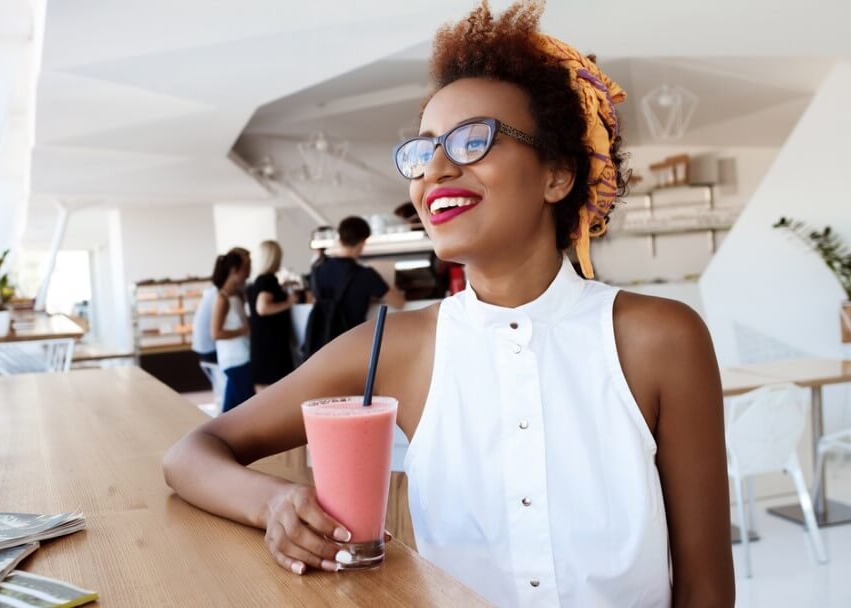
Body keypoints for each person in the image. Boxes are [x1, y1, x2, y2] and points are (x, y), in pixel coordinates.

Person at [164, 2, 734, 606]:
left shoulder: (662, 339)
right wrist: (274, 503)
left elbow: (705, 586)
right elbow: (190, 456)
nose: (434, 169)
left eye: (471, 141)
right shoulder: (396, 347)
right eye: (422, 149)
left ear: (556, 176)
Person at [308, 215, 405, 329]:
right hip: (351, 340)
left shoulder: (318, 269)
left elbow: (312, 300)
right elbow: (399, 303)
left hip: (321, 341)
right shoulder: (366, 275)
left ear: (340, 238)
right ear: (363, 242)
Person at [247, 241, 297, 393]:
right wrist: (288, 303)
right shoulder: (267, 280)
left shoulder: (258, 281)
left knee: (263, 391)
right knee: (275, 389)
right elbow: (262, 308)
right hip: (272, 345)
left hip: (261, 343)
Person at [210, 248, 254, 412]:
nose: (248, 273)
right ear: (235, 270)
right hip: (234, 359)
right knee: (246, 407)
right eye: (246, 267)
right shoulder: (222, 299)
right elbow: (215, 333)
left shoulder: (238, 295)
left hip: (243, 355)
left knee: (233, 408)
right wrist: (244, 330)